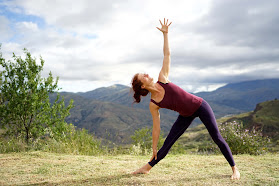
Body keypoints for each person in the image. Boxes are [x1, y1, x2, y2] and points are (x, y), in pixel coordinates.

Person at [130, 18, 240, 180]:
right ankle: (147, 168)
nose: (147, 74)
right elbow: (156, 128)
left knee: (216, 136)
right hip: (185, 114)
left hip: (200, 106)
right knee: (168, 142)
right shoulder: (153, 104)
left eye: (144, 73)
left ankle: (234, 169)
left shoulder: (163, 78)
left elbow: (167, 54)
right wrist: (154, 147)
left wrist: (166, 34)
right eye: (143, 76)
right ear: (143, 86)